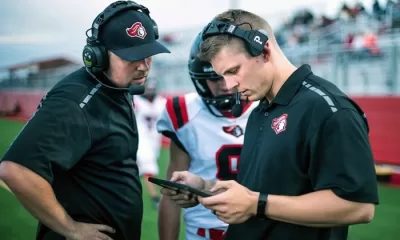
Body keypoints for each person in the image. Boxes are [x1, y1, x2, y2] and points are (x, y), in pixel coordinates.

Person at [160, 9, 379, 240]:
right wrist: (205, 187)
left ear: (264, 51)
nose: (229, 85)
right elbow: (264, 189)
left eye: (234, 71)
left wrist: (256, 204)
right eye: (222, 75)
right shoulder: (262, 109)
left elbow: (358, 207)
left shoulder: (328, 109)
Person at [0, 1, 170, 240]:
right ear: (98, 55)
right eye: (132, 57)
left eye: (148, 55)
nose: (144, 66)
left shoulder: (117, 88)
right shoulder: (76, 100)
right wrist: (71, 228)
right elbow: (15, 169)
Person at [156, 31, 258, 240]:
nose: (224, 85)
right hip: (205, 233)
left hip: (260, 228)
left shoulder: (267, 108)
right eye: (214, 78)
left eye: (230, 73)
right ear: (200, 78)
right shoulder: (184, 112)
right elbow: (172, 192)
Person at [133, 79, 166, 208]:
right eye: (147, 88)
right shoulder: (136, 101)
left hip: (155, 140)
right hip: (141, 139)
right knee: (149, 167)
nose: (149, 91)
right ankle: (155, 199)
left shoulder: (161, 102)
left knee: (140, 169)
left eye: (152, 89)